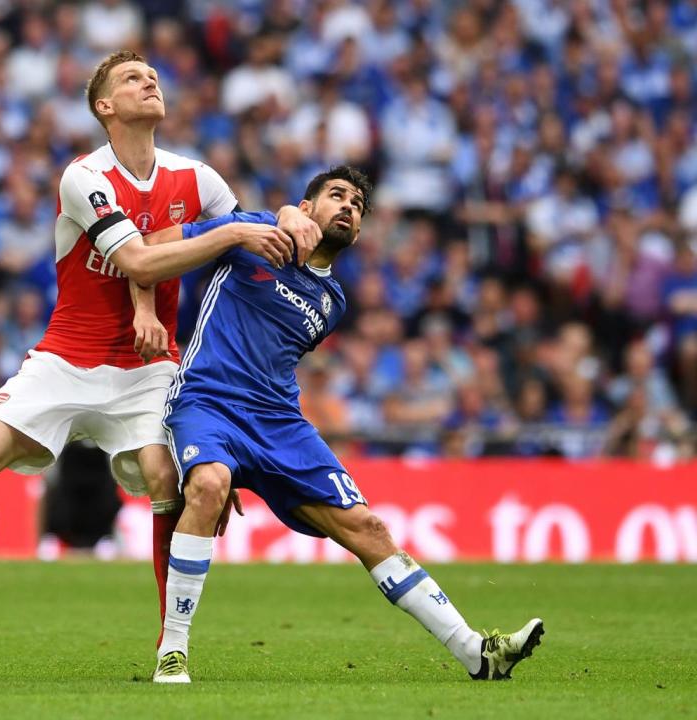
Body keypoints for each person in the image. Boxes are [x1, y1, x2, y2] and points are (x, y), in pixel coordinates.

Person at [0, 50, 321, 663]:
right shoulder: (84, 176)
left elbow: (257, 234)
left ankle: (170, 647)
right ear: (105, 107)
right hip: (65, 358)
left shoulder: (196, 178)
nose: (150, 80)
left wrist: (288, 213)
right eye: (133, 78)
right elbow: (138, 260)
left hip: (148, 369)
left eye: (153, 75)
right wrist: (235, 233)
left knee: (168, 478)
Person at [150, 166, 543, 683]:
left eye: (357, 206)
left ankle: (477, 652)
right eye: (336, 196)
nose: (349, 208)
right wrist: (259, 224)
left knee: (369, 527)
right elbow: (156, 246)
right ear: (307, 207)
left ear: (357, 232)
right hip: (209, 400)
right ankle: (172, 651)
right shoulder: (250, 234)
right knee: (209, 482)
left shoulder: (333, 303)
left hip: (278, 421)